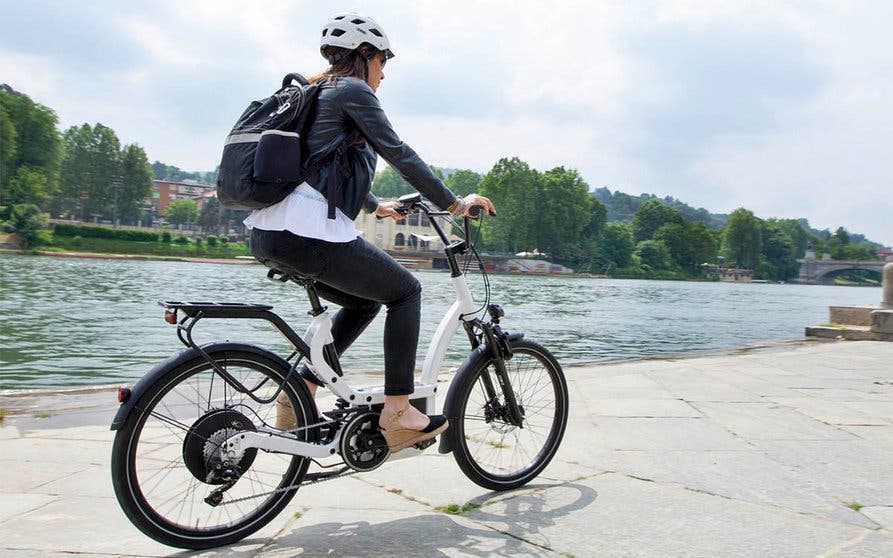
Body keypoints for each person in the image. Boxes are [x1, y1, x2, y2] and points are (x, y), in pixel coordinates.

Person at [245, 13, 496, 452]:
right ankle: (398, 411)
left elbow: (319, 163)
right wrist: (455, 203)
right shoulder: (353, 89)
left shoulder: (317, 89)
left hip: (271, 232)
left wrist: (374, 204)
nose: (384, 74)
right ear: (365, 55)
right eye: (383, 62)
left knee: (364, 302)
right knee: (405, 292)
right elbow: (399, 152)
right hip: (307, 232)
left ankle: (298, 392)